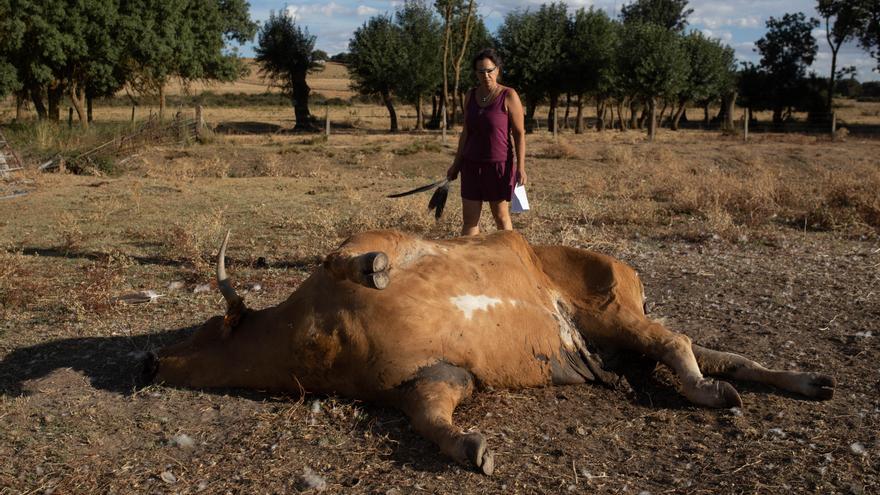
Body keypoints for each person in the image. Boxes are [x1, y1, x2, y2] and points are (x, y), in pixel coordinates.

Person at [446, 48, 526, 236]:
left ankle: (511, 258)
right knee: (469, 221)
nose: (486, 75)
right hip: (471, 165)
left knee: (501, 217)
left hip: (498, 165)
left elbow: (519, 133)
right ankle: (469, 260)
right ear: (475, 73)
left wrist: (520, 167)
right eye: (481, 71)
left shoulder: (508, 95)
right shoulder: (470, 95)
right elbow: (466, 133)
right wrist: (456, 165)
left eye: (490, 70)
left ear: (497, 70)